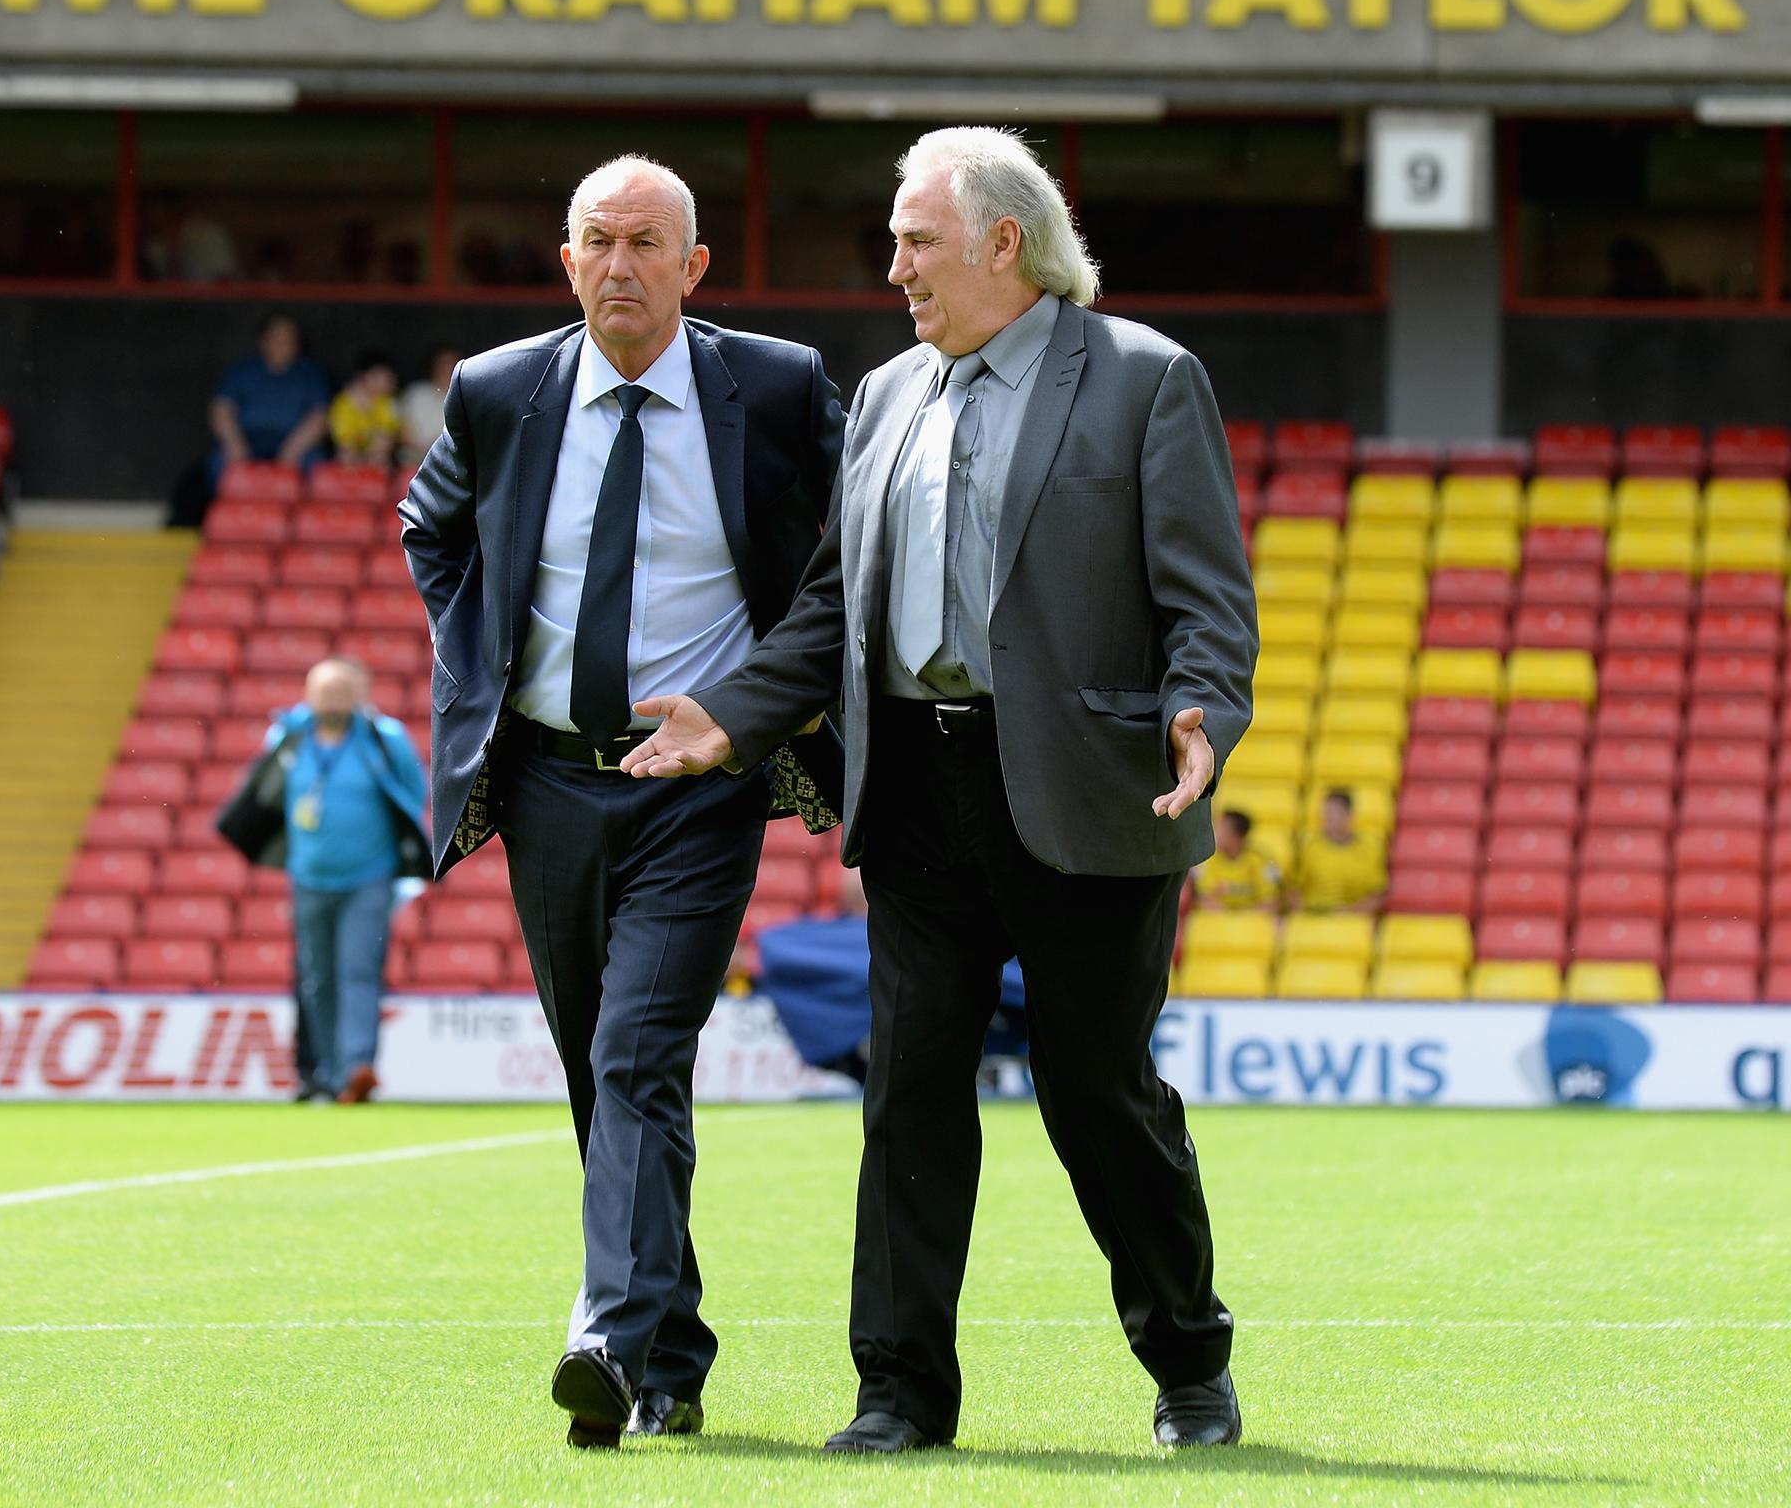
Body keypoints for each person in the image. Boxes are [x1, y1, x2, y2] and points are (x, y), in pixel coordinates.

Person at [622, 127, 1258, 1453]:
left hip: (1090, 793)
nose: (896, 265)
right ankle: (899, 1392)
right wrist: (729, 717)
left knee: (1100, 1097)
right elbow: (829, 608)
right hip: (914, 784)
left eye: (917, 241)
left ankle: (1189, 1364)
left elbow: (1204, 597)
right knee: (906, 1093)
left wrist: (1205, 718)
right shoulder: (889, 395)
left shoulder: (1145, 379)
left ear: (1003, 245)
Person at [396, 156, 844, 1448]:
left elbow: (846, 544)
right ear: (566, 259)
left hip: (702, 786)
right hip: (543, 779)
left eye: (649, 243)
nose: (621, 266)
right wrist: (479, 653)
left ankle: (605, 1330)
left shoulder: (773, 388)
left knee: (639, 1054)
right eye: (599, 240)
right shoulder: (498, 392)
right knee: (607, 1083)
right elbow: (431, 529)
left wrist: (760, 703)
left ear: (695, 269)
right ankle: (674, 1355)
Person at [214, 657, 427, 1104]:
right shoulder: (288, 737)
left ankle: (356, 1069)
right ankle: (325, 1073)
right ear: (308, 694)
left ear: (359, 695)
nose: (331, 699)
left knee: (358, 971)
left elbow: (414, 789)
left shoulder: (383, 739)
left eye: (340, 690)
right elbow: (263, 792)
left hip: (371, 877)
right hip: (308, 877)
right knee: (317, 977)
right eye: (322, 690)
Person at [173, 314, 330, 527]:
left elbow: (319, 416)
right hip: (248, 442)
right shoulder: (243, 371)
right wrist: (234, 443)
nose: (283, 345)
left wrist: (293, 449)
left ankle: (301, 529)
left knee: (316, 466)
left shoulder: (309, 374)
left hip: (294, 445)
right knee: (219, 464)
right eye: (277, 338)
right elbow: (221, 409)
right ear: (263, 341)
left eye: (289, 340)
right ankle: (228, 525)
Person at [1288, 788, 1386, 914]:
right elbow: (1294, 891)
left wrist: (1350, 912)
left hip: (1354, 923)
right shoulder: (1308, 848)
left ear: (1349, 816)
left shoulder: (1371, 849)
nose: (1327, 819)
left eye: (1333, 813)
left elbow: (1378, 895)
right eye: (1325, 814)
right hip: (1315, 920)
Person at [1191, 810, 1282, 912]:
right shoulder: (1207, 858)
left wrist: (1243, 919)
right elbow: (1203, 899)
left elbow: (1271, 902)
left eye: (1222, 829)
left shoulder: (1261, 859)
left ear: (1237, 836)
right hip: (1217, 922)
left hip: (1253, 922)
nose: (1216, 834)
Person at [329, 349, 402, 468]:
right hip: (351, 455)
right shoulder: (343, 402)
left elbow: (386, 437)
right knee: (345, 457)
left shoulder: (389, 402)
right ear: (365, 376)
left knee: (381, 460)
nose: (390, 381)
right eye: (382, 376)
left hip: (378, 455)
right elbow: (344, 442)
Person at [399, 345, 462, 473]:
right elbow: (403, 432)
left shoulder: (467, 396)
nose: (447, 369)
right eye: (443, 364)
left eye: (452, 364)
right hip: (415, 466)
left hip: (457, 469)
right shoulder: (416, 393)